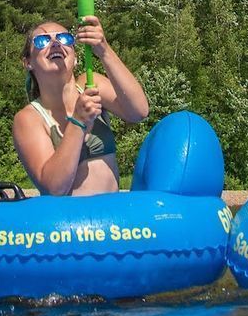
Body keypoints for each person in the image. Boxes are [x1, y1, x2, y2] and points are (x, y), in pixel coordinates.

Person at [12, 16, 150, 196]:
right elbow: (54, 188)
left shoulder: (91, 84)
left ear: (75, 57)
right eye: (42, 40)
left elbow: (139, 111)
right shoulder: (29, 118)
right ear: (28, 62)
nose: (55, 43)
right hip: (69, 222)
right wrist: (78, 123)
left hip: (114, 220)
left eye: (64, 38)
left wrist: (104, 50)